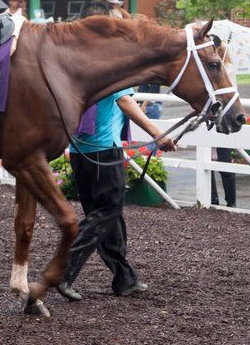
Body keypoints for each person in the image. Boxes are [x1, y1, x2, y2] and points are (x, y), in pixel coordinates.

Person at [55, 88, 178, 302]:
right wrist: (158, 134)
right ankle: (60, 272)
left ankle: (125, 278)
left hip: (79, 153)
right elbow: (125, 102)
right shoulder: (114, 69)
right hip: (104, 152)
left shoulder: (86, 64)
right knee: (105, 214)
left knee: (108, 216)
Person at [210, 43, 236, 207]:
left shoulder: (228, 70)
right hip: (210, 116)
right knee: (208, 158)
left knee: (224, 158)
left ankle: (230, 200)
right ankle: (212, 197)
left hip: (223, 116)